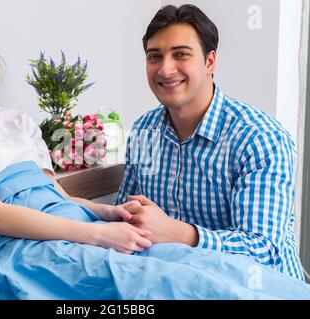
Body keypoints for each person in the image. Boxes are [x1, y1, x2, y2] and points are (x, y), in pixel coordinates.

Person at [0, 13, 152, 256]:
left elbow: (59, 198)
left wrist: (107, 213)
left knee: (167, 259)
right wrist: (99, 234)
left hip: (65, 228)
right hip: (11, 247)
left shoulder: (18, 121)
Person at [116, 4, 305, 281]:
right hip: (175, 283)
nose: (166, 69)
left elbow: (264, 252)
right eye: (154, 57)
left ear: (209, 62)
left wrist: (180, 233)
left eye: (181, 54)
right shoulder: (144, 130)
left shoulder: (260, 138)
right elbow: (127, 217)